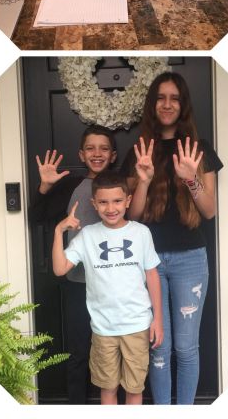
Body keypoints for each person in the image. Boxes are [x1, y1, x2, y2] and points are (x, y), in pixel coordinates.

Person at [122, 72, 223, 404]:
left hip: (190, 260)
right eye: (161, 97)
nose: (167, 104)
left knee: (186, 346)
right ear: (153, 104)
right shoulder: (139, 150)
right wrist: (145, 180)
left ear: (183, 105)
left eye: (174, 98)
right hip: (147, 262)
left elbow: (209, 210)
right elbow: (132, 217)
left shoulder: (199, 149)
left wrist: (192, 180)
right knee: (159, 345)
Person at [52, 172, 163, 405]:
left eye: (117, 201)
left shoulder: (141, 233)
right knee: (108, 388)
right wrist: (59, 231)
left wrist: (158, 320)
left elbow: (152, 275)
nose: (110, 208)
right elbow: (60, 268)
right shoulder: (87, 236)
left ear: (128, 201)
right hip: (103, 329)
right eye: (103, 202)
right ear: (94, 204)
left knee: (134, 389)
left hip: (137, 325)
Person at [29, 125, 118, 404]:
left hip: (116, 285)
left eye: (104, 148)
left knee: (117, 350)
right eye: (91, 148)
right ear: (81, 154)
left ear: (113, 155)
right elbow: (37, 216)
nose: (97, 153)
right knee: (78, 352)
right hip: (78, 285)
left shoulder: (122, 185)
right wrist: (44, 186)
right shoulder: (70, 185)